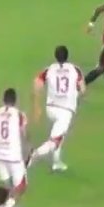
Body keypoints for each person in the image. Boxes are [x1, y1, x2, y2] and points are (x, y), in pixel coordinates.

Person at [28, 45, 85, 173]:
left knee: (59, 135)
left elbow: (37, 84)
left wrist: (37, 107)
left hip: (51, 108)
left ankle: (56, 162)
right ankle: (34, 155)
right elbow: (83, 90)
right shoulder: (75, 70)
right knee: (55, 140)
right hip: (65, 110)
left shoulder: (49, 69)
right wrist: (76, 94)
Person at [0, 88, 29, 203]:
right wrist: (28, 149)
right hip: (14, 156)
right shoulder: (19, 114)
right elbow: (24, 134)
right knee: (21, 186)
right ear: (15, 101)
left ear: (3, 100)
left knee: (5, 186)